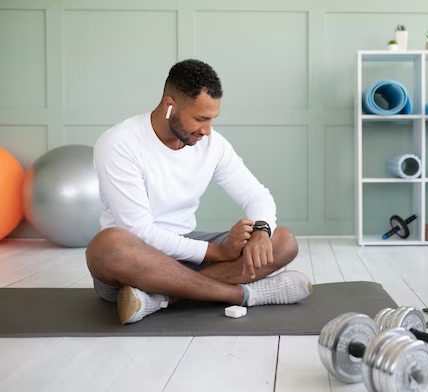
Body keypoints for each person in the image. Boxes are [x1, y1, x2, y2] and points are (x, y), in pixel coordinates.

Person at [85, 59, 312, 325]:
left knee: (283, 240)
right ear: (170, 106)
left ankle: (158, 301)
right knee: (108, 245)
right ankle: (244, 294)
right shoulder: (119, 143)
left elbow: (256, 195)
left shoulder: (212, 145)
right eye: (200, 119)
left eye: (212, 119)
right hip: (135, 259)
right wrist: (218, 253)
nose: (207, 130)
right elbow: (139, 231)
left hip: (188, 251)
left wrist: (261, 230)